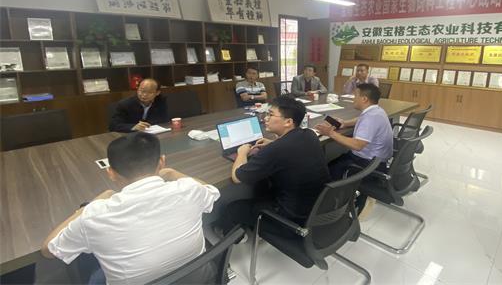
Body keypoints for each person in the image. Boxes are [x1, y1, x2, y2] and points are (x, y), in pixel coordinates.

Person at [41, 132, 220, 285]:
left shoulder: (95, 216)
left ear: (111, 173)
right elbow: (210, 191)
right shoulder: (189, 189)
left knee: (93, 270)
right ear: (161, 162)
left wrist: (86, 208)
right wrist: (172, 173)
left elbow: (48, 250)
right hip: (197, 278)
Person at [220, 96, 331, 234]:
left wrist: (242, 152)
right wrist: (274, 143)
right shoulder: (309, 134)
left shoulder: (276, 150)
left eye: (270, 115)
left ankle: (231, 237)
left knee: (232, 208)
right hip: (318, 207)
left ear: (288, 122)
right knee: (262, 184)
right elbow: (289, 148)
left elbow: (237, 177)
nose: (265, 119)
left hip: (293, 218)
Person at [315, 83, 392, 211]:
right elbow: (360, 119)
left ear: (364, 99)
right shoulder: (376, 110)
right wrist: (344, 123)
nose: (353, 98)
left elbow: (357, 145)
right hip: (377, 159)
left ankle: (333, 205)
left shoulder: (370, 118)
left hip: (368, 163)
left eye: (355, 95)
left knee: (327, 169)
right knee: (335, 159)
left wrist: (331, 133)